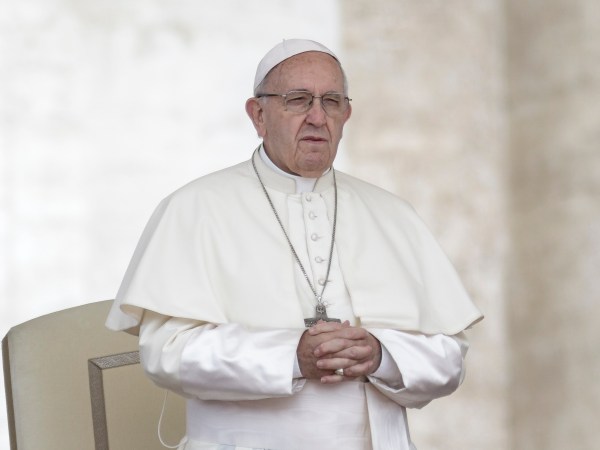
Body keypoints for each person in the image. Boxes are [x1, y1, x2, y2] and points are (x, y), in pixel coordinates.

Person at [106, 39, 483, 450]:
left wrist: (382, 355)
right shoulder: (194, 207)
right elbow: (166, 353)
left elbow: (449, 357)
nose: (318, 117)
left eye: (332, 102)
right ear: (259, 115)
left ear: (347, 114)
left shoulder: (394, 214)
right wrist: (290, 355)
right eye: (299, 100)